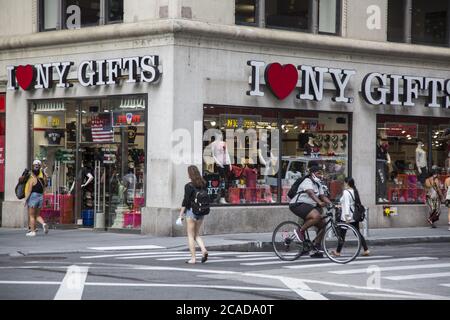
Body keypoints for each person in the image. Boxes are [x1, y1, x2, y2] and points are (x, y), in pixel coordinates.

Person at [289, 165, 333, 258]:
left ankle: (316, 246)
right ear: (312, 174)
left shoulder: (318, 183)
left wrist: (331, 204)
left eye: (321, 173)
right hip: (298, 205)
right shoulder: (307, 181)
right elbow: (311, 193)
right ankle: (299, 231)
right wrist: (320, 203)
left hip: (309, 206)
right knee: (316, 216)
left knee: (323, 225)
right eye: (318, 173)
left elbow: (322, 196)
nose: (320, 175)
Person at [332, 177, 370, 257]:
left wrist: (346, 216)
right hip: (354, 216)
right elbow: (348, 203)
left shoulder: (346, 192)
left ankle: (338, 252)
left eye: (344, 182)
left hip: (347, 217)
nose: (343, 184)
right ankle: (366, 249)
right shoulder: (354, 191)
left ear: (347, 183)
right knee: (358, 234)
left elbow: (347, 205)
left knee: (342, 235)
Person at [178, 165, 209, 264]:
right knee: (196, 234)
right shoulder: (204, 184)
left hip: (191, 212)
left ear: (190, 174)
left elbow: (185, 201)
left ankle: (193, 258)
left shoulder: (188, 186)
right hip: (201, 212)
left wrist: (180, 215)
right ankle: (203, 250)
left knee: (190, 236)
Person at [20, 160, 49, 237]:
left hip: (33, 197)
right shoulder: (42, 179)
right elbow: (45, 187)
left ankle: (32, 231)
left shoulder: (31, 179)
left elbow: (29, 191)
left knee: (31, 216)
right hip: (40, 197)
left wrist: (26, 200)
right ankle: (44, 224)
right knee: (37, 215)